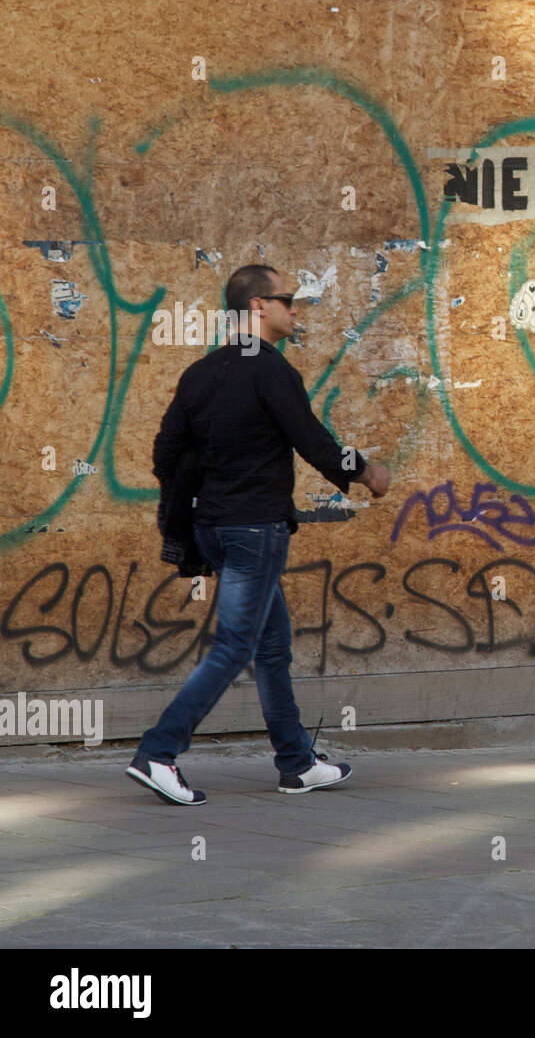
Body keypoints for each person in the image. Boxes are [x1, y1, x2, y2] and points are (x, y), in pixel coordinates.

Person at [127, 265, 391, 805]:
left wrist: (198, 499)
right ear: (257, 308)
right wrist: (365, 471)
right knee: (233, 648)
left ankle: (296, 764)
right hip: (254, 529)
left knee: (271, 648)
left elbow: (164, 453)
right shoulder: (272, 372)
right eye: (287, 300)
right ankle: (159, 751)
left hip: (215, 529)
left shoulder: (202, 373)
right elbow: (314, 441)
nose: (295, 310)